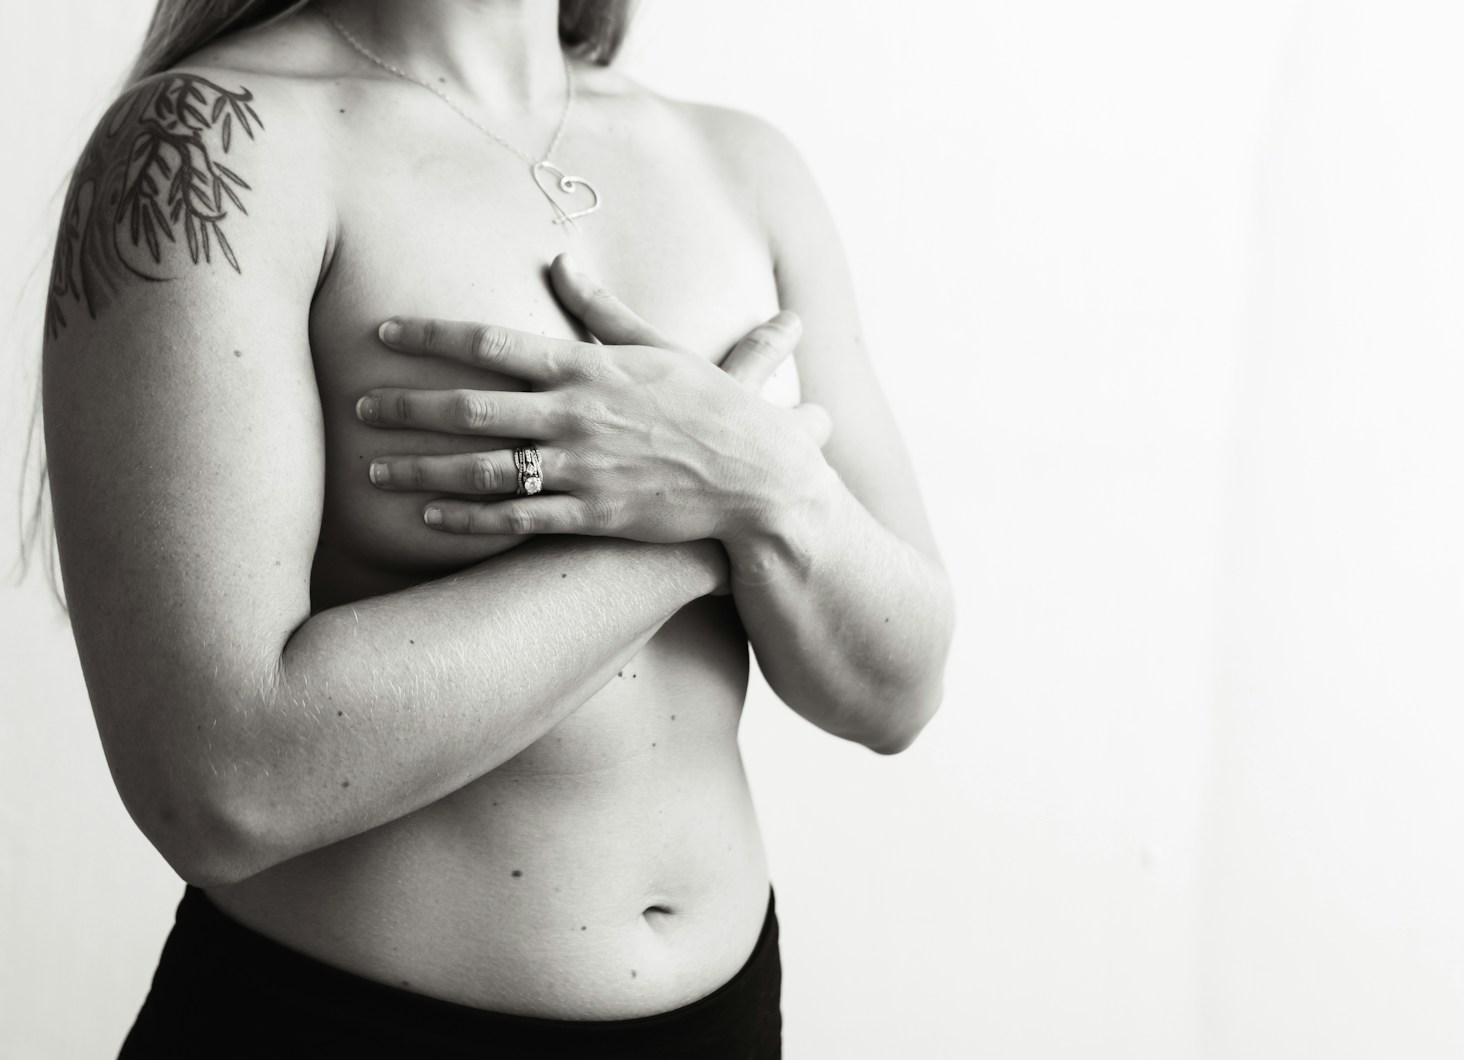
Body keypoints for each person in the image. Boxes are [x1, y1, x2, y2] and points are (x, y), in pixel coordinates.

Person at [40, 0, 954, 1054]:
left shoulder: (744, 165)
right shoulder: (213, 143)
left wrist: (770, 493)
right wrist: (705, 514)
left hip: (730, 1019)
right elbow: (218, 785)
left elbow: (899, 687)